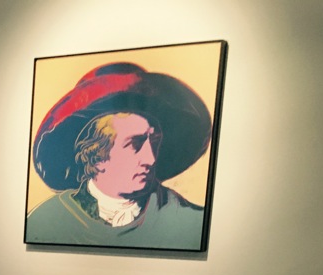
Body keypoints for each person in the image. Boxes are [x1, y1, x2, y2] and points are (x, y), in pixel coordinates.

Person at [25, 62, 214, 251]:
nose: (151, 159)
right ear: (97, 155)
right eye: (135, 144)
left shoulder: (189, 221)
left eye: (155, 142)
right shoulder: (46, 220)